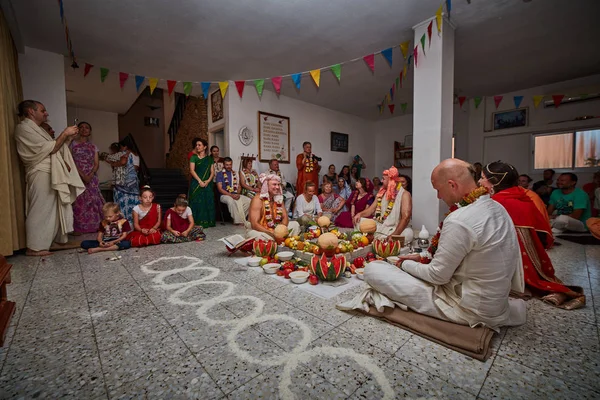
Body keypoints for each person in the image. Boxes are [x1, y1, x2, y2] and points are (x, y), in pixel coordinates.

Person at [358, 159, 526, 331]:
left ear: (452, 185)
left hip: (466, 307)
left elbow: (438, 276)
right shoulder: (497, 207)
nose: (438, 197)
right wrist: (421, 257)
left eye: (438, 190)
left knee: (374, 270)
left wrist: (404, 264)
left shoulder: (459, 220)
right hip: (492, 300)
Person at [481, 161, 584, 310]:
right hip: (532, 253)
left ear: (495, 181)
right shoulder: (523, 195)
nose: (479, 181)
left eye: (483, 177)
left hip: (511, 258)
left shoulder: (497, 202)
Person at [14, 100, 84, 256]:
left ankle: (50, 241)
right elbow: (48, 149)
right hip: (40, 172)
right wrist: (64, 133)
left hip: (49, 172)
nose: (46, 113)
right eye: (42, 110)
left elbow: (55, 146)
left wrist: (68, 138)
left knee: (52, 210)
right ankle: (34, 247)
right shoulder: (23, 128)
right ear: (31, 112)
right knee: (40, 209)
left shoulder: (38, 129)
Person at [354, 166, 411, 240]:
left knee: (408, 233)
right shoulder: (381, 192)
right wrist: (360, 214)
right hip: (379, 225)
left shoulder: (405, 194)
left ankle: (378, 237)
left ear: (391, 180)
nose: (381, 181)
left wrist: (394, 234)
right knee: (358, 221)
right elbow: (371, 209)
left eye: (383, 179)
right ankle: (380, 238)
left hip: (394, 228)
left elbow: (406, 218)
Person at [69, 121, 105, 234]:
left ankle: (95, 226)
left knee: (93, 200)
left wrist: (90, 175)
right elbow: (70, 161)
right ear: (78, 130)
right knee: (79, 201)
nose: (84, 129)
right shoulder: (72, 144)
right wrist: (82, 174)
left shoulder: (94, 147)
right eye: (82, 127)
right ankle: (79, 228)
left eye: (87, 128)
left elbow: (96, 164)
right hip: (77, 175)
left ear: (90, 132)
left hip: (91, 177)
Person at [247, 173, 301, 240]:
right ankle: (276, 241)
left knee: (295, 225)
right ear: (266, 186)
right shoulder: (258, 199)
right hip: (260, 230)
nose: (278, 187)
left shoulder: (278, 198)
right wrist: (271, 233)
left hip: (275, 228)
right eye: (274, 184)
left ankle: (279, 239)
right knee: (261, 237)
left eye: (278, 184)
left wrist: (280, 231)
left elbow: (285, 218)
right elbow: (254, 224)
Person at [100, 137, 140, 223]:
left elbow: (122, 162)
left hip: (123, 183)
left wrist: (113, 164)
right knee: (133, 201)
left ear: (125, 147)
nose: (121, 149)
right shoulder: (136, 154)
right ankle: (133, 221)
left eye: (121, 147)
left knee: (122, 202)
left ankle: (123, 221)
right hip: (133, 182)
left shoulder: (124, 153)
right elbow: (136, 167)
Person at [188, 138, 216, 228]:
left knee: (207, 201)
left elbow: (212, 172)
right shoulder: (194, 157)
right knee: (197, 202)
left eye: (199, 145)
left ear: (205, 147)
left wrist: (207, 181)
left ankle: (208, 221)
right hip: (196, 183)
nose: (197, 147)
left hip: (207, 183)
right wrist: (200, 181)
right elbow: (192, 170)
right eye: (196, 145)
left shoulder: (209, 159)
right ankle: (195, 222)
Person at [217, 157, 251, 225]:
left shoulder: (235, 173)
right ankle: (238, 221)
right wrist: (231, 195)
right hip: (224, 195)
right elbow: (220, 189)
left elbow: (239, 186)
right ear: (223, 165)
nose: (229, 166)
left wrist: (238, 193)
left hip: (235, 194)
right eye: (227, 165)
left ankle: (241, 217)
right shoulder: (220, 174)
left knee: (249, 201)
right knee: (230, 200)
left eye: (230, 164)